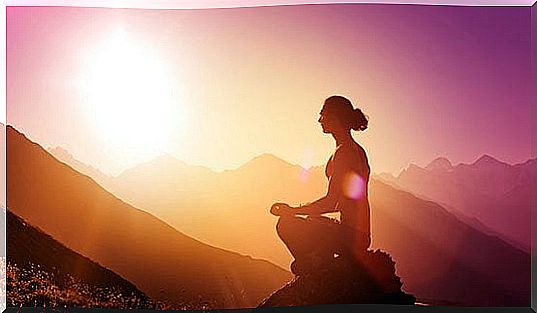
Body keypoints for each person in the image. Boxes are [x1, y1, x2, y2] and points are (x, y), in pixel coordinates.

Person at [270, 95, 371, 276]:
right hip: (358, 235)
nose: (319, 120)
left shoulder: (344, 152)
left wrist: (291, 211)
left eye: (322, 115)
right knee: (312, 220)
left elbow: (331, 203)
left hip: (350, 237)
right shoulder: (354, 149)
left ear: (334, 117)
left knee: (285, 224)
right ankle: (318, 260)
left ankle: (315, 268)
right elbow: (344, 202)